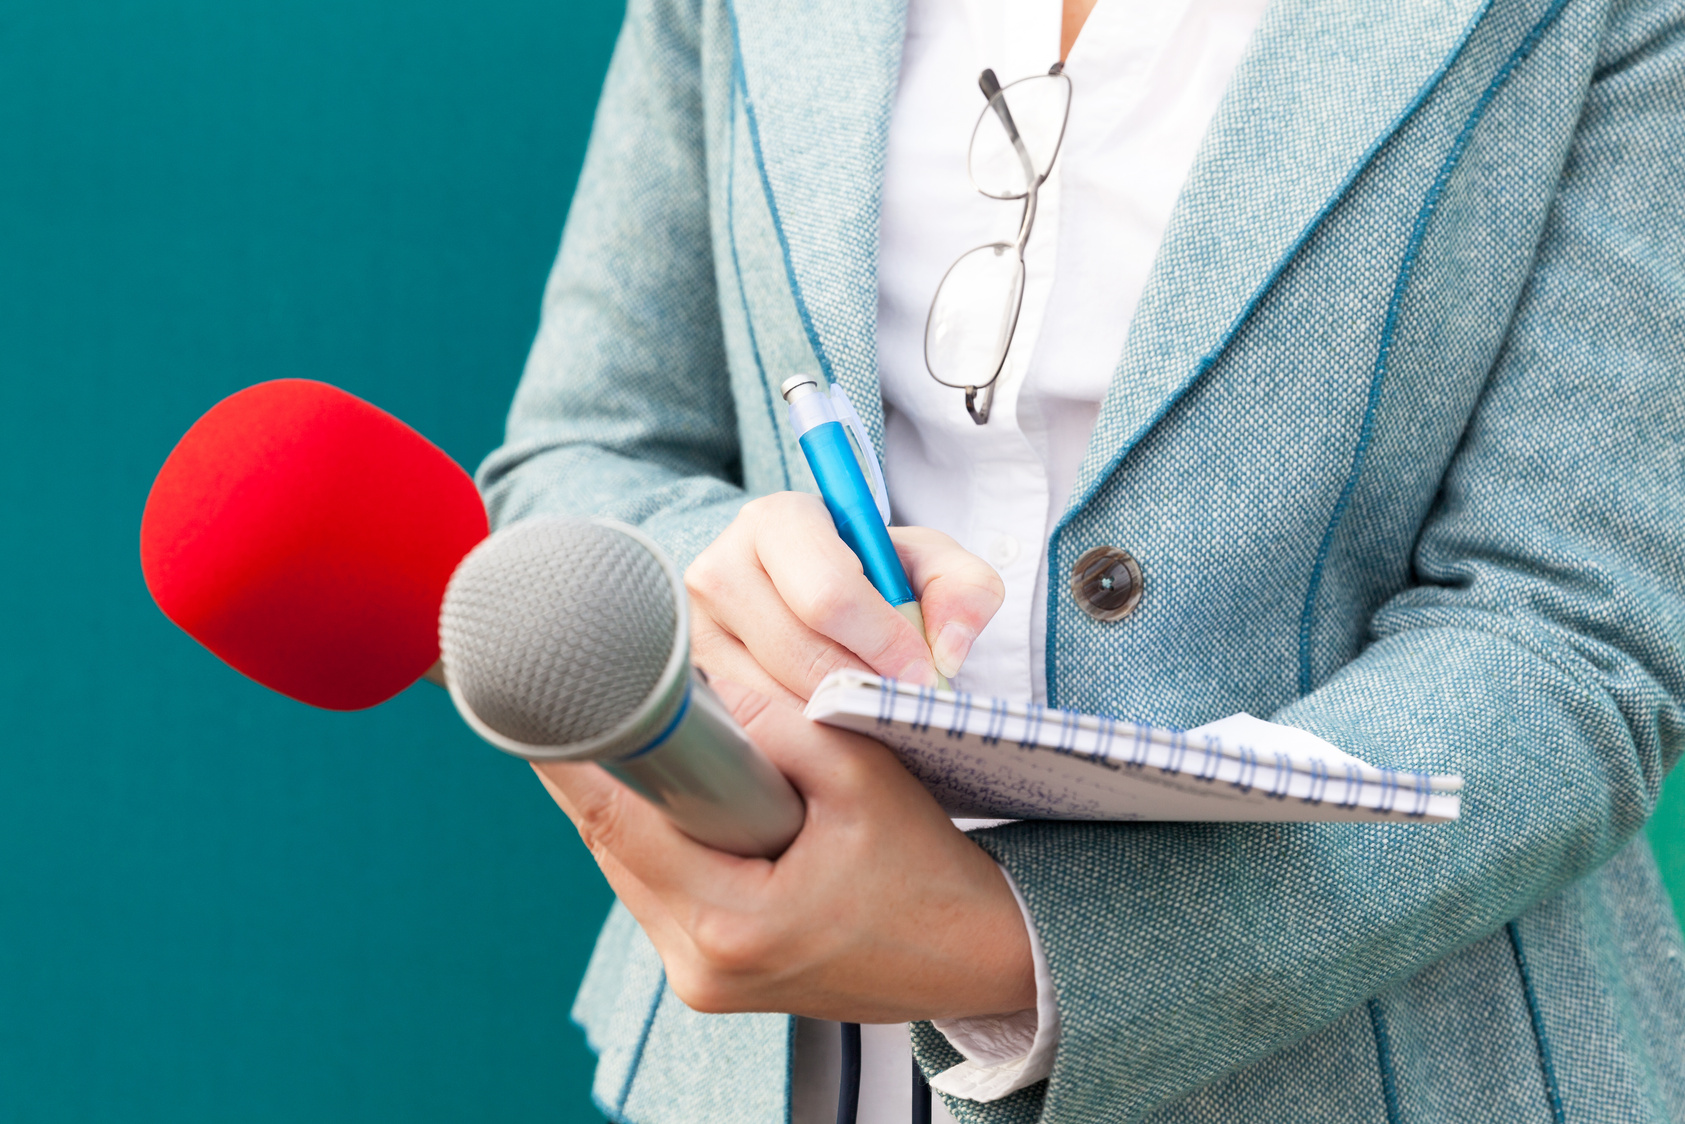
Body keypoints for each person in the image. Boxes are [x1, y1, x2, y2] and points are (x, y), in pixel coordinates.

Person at [477, 0, 1685, 1115]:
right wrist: (732, 582)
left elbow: (1575, 629)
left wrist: (1011, 937)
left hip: (1380, 1060)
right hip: (784, 1064)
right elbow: (580, 455)